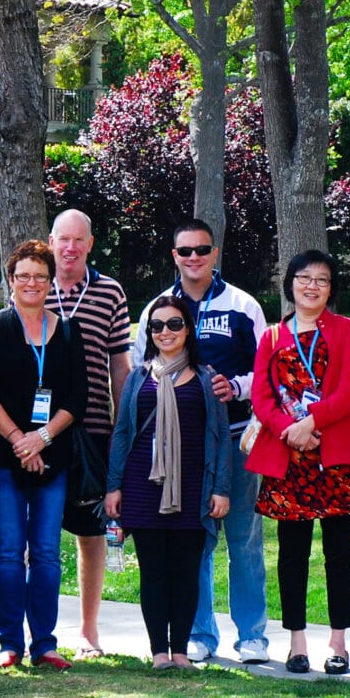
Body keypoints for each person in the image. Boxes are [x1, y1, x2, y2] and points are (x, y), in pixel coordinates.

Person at [132, 217, 269, 665]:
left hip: (235, 440)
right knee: (197, 540)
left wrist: (240, 388)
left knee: (244, 538)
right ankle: (200, 634)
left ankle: (252, 636)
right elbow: (140, 371)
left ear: (214, 253)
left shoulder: (243, 305)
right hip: (182, 451)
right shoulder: (158, 307)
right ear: (174, 256)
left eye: (201, 249)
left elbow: (266, 371)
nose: (194, 257)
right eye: (184, 250)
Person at [247, 250, 350, 675]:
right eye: (304, 278)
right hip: (289, 459)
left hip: (337, 459)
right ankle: (297, 642)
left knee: (341, 552)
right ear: (291, 283)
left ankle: (338, 642)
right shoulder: (271, 336)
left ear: (331, 288)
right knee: (292, 553)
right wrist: (290, 430)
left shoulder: (346, 331)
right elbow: (262, 398)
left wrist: (312, 422)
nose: (312, 285)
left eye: (322, 279)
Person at [0, 240, 87, 670]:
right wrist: (21, 440)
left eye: (40, 275)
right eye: (23, 276)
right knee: (7, 550)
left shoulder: (68, 330)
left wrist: (42, 438)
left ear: (51, 279)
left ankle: (45, 643)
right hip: (4, 457)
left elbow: (79, 396)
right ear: (11, 279)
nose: (32, 283)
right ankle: (9, 642)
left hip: (53, 457)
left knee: (44, 551)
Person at [105, 293, 231, 669]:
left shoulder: (208, 379)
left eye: (174, 323)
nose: (165, 332)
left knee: (187, 573)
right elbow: (123, 432)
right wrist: (114, 487)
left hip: (193, 488)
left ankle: (181, 651)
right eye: (157, 325)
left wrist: (221, 488)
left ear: (188, 329)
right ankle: (159, 651)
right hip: (143, 488)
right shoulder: (138, 378)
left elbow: (222, 435)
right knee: (155, 572)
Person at [45, 209, 132, 656]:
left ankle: (88, 630)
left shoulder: (109, 291)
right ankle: (35, 632)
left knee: (90, 534)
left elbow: (120, 363)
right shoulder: (33, 285)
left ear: (90, 244)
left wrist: (123, 423)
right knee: (33, 533)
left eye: (79, 240)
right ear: (51, 240)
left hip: (94, 429)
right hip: (39, 432)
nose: (70, 248)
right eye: (63, 239)